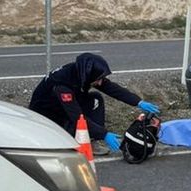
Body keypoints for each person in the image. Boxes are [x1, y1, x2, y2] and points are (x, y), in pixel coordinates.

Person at [29, 53, 161, 154]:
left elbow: (112, 89)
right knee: (77, 121)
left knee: (96, 99)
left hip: (61, 107)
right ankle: (80, 140)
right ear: (88, 76)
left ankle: (92, 140)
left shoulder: (80, 73)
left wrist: (138, 102)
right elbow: (76, 116)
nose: (100, 82)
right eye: (98, 79)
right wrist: (103, 134)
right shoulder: (62, 85)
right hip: (45, 117)